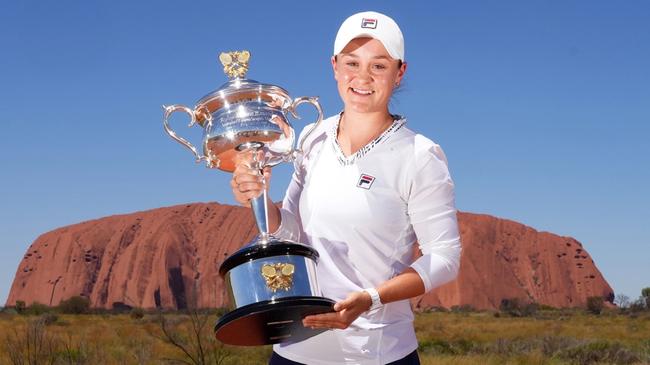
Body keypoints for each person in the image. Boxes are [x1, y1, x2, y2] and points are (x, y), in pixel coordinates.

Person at [231, 11, 461, 365]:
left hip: (377, 352)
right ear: (334, 66)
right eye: (352, 63)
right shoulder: (312, 138)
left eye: (379, 66)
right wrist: (258, 195)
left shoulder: (420, 156)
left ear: (400, 72)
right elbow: (291, 229)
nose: (363, 77)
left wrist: (371, 298)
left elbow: (444, 258)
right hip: (295, 348)